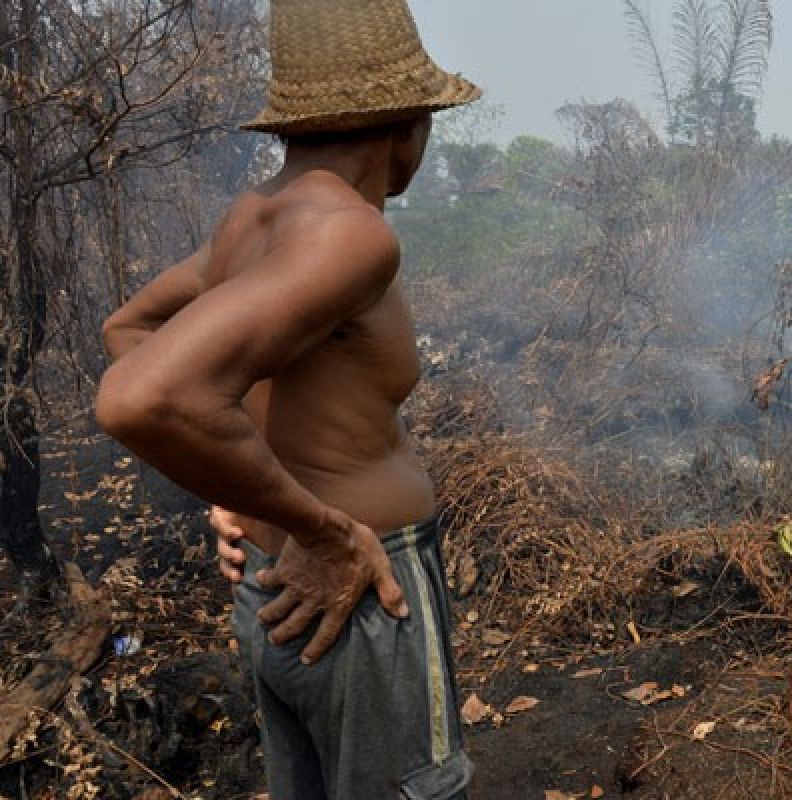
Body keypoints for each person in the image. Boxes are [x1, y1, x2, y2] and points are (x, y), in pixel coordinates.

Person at [95, 1, 481, 798]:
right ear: (408, 125)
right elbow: (140, 394)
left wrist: (233, 498)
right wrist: (326, 531)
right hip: (360, 590)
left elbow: (131, 327)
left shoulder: (255, 219)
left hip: (275, 589)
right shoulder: (353, 235)